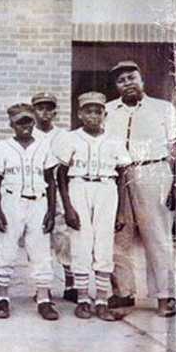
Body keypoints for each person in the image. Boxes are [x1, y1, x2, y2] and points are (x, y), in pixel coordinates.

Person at [105, 61, 176, 317]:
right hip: (118, 175)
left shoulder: (162, 108)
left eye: (132, 77)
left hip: (154, 171)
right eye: (121, 80)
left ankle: (164, 296)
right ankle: (123, 293)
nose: (127, 83)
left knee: (158, 235)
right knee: (118, 236)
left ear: (142, 80)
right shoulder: (108, 110)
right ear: (116, 87)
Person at [54, 92, 132, 321]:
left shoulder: (114, 140)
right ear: (80, 114)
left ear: (104, 115)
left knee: (104, 243)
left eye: (98, 111)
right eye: (88, 111)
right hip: (79, 186)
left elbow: (122, 175)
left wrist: (121, 211)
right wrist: (67, 207)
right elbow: (60, 173)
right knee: (80, 242)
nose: (93, 115)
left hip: (106, 189)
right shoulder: (71, 138)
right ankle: (82, 299)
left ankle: (101, 300)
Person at [0, 103, 59, 321]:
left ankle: (43, 299)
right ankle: (2, 298)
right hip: (11, 201)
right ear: (11, 124)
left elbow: (51, 179)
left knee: (40, 252)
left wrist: (51, 211)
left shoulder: (44, 146)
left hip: (38, 202)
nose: (25, 126)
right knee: (6, 250)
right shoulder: (3, 147)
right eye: (20, 122)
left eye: (28, 121)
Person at [30, 92, 76, 303]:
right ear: (34, 111)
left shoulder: (64, 136)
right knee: (38, 239)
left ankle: (70, 283)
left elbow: (63, 169)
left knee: (63, 237)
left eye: (49, 108)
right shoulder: (28, 134)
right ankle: (42, 287)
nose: (45, 112)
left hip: (58, 189)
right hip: (37, 190)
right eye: (40, 107)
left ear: (55, 111)